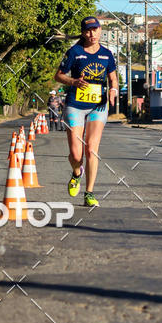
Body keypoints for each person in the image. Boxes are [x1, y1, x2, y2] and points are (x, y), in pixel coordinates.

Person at [55, 16, 118, 207]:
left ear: (100, 30)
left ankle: (89, 193)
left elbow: (113, 79)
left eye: (96, 30)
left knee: (91, 149)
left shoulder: (107, 54)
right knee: (76, 155)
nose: (92, 34)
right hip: (75, 105)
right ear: (83, 33)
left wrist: (113, 91)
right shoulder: (74, 52)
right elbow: (58, 75)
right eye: (88, 31)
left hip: (98, 106)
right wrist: (73, 82)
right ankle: (76, 172)